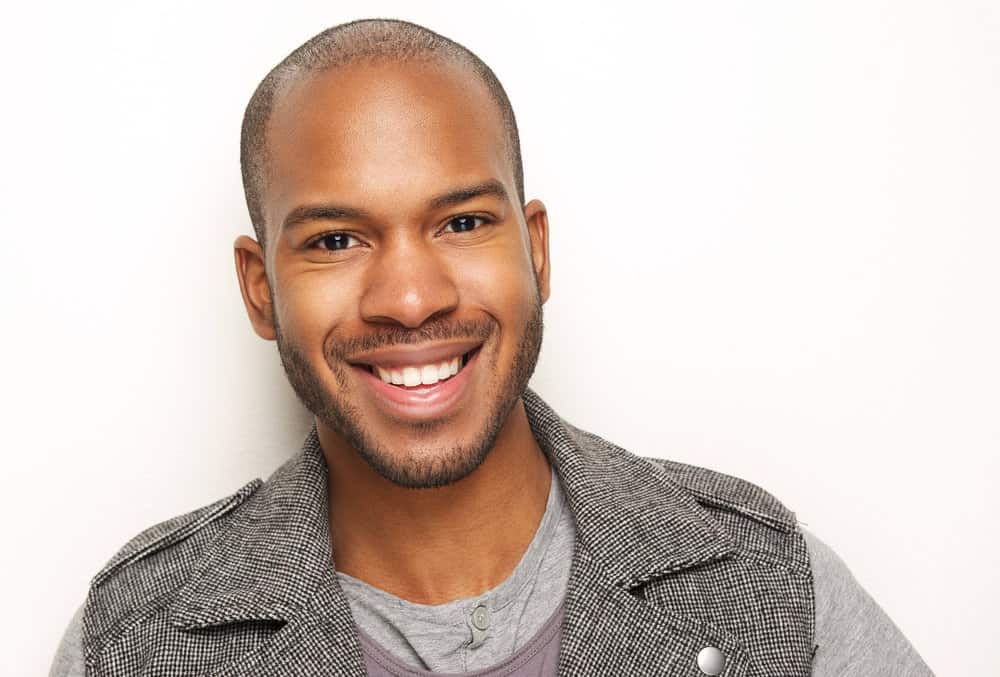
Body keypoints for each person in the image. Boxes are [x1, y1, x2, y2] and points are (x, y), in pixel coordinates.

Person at [49, 18, 933, 677]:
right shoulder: (135, 638)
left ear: (535, 249)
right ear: (258, 288)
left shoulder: (767, 585)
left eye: (463, 222)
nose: (410, 298)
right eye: (335, 240)